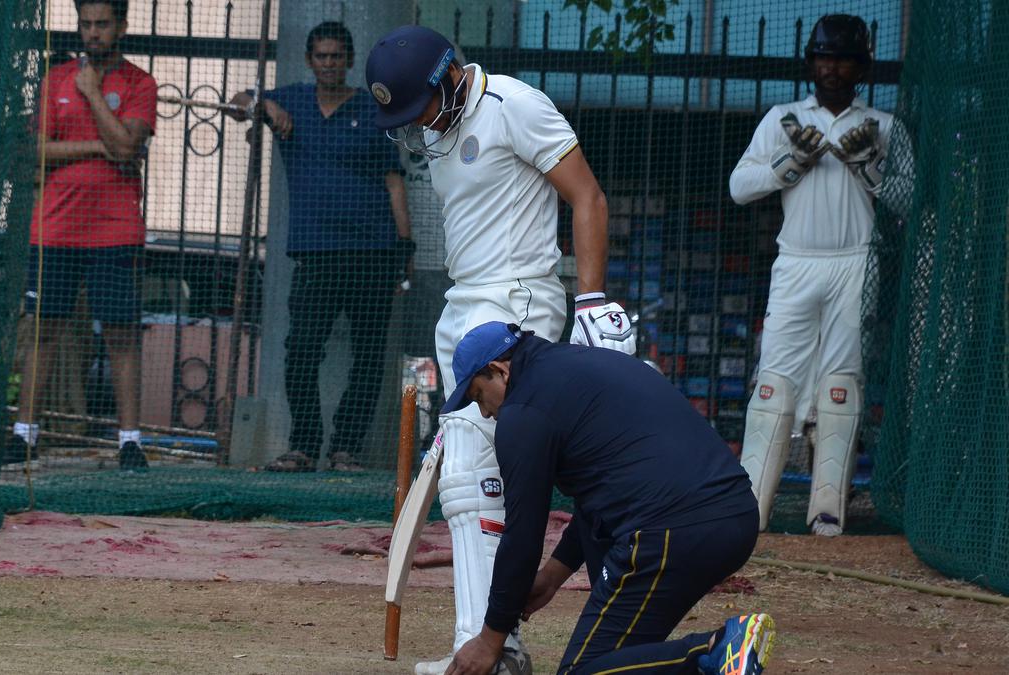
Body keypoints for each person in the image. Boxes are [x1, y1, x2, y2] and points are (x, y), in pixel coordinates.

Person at [365, 25, 635, 674]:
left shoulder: (514, 104)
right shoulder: (433, 128)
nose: (417, 124)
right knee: (465, 482)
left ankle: (545, 644)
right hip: (463, 304)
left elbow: (587, 195)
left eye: (419, 106)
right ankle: (488, 648)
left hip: (518, 301)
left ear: (449, 75)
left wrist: (591, 301)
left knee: (518, 469)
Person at [440, 321, 774, 675]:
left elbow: (522, 535)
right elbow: (602, 489)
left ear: (499, 371)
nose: (485, 412)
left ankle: (715, 651)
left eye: (478, 396)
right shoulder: (580, 364)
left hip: (669, 530)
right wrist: (553, 576)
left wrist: (490, 640)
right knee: (628, 661)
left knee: (583, 672)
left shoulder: (523, 412)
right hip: (734, 515)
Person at [730, 14, 912, 536]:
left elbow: (913, 201)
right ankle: (750, 512)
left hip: (856, 260)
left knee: (841, 384)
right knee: (774, 383)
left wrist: (869, 168)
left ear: (861, 67)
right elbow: (740, 186)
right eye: (824, 57)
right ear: (812, 62)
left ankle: (826, 515)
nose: (832, 68)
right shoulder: (783, 119)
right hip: (796, 261)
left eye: (843, 59)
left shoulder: (884, 126)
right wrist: (790, 165)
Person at [226, 21, 414, 473]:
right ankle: (304, 445)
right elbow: (235, 105)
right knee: (301, 350)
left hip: (374, 252)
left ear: (348, 61)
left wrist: (403, 251)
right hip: (315, 252)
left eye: (336, 56)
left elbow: (394, 184)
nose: (329, 64)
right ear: (310, 60)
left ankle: (346, 448)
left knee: (369, 354)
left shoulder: (373, 110)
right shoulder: (290, 100)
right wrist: (263, 103)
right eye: (321, 56)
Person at [7, 0, 157, 472]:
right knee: (43, 331)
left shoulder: (140, 83)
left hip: (115, 230)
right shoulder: (56, 79)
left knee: (120, 334)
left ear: (121, 26)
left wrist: (93, 95)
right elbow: (35, 151)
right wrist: (97, 144)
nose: (92, 32)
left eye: (102, 23)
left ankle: (129, 441)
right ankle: (24, 435)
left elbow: (129, 145)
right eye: (85, 23)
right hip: (54, 228)